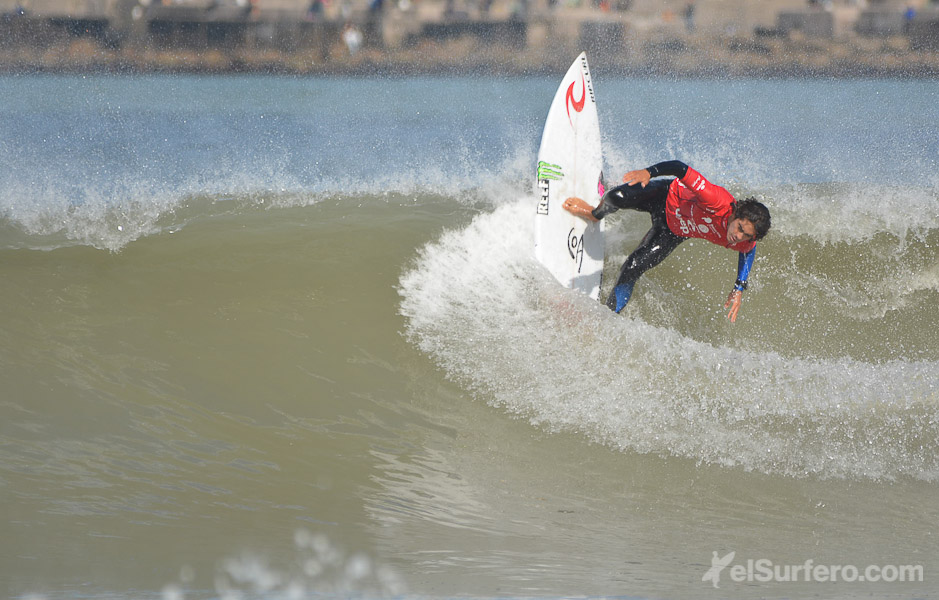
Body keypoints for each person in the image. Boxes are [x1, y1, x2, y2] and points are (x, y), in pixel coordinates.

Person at [562, 160, 771, 322]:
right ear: (736, 214)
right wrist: (649, 172)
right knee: (615, 197)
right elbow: (680, 168)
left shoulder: (743, 241)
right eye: (740, 228)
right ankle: (593, 213)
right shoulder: (716, 199)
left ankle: (607, 319)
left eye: (746, 235)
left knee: (632, 267)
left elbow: (748, 251)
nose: (738, 237)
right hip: (665, 196)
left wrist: (739, 288)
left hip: (672, 231)